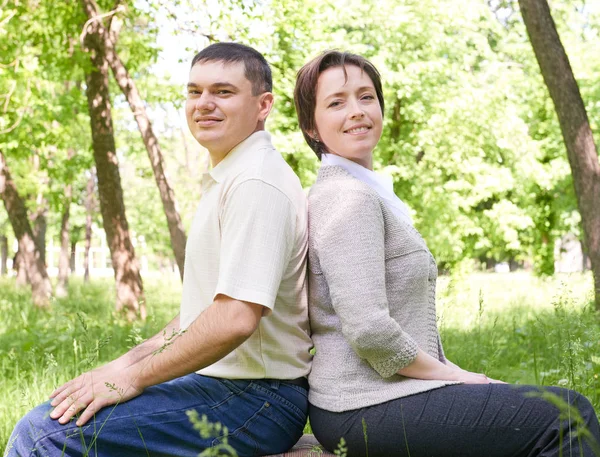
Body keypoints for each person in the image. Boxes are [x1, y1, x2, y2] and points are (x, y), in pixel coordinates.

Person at [6, 42, 312, 457]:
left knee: (43, 435)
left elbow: (234, 318)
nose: (203, 103)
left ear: (263, 105)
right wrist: (124, 364)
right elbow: (201, 314)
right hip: (228, 386)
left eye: (223, 92)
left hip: (256, 399)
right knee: (57, 415)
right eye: (194, 91)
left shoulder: (256, 183)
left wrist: (134, 380)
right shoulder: (232, 175)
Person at [293, 50, 600, 457]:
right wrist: (455, 376)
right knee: (567, 416)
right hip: (363, 405)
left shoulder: (364, 191)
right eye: (337, 102)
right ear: (312, 127)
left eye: (366, 97)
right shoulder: (348, 198)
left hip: (377, 399)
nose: (357, 111)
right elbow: (368, 329)